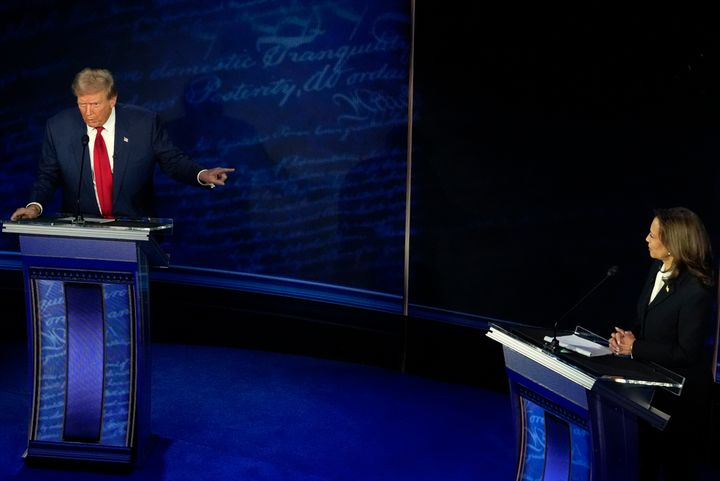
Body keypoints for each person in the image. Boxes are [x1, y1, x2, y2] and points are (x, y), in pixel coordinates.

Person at [10, 67, 235, 221]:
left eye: (95, 104)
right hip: (80, 231)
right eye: (82, 104)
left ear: (112, 99)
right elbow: (47, 176)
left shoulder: (144, 123)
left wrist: (202, 174)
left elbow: (172, 161)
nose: (88, 113)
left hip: (133, 226)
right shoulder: (58, 127)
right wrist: (34, 207)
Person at [609, 206, 716, 481]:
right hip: (648, 388)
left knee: (674, 471)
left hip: (680, 402)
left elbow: (686, 352)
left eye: (653, 235)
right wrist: (624, 340)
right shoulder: (657, 268)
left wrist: (635, 347)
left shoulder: (696, 290)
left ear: (672, 244)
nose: (646, 238)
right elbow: (643, 323)